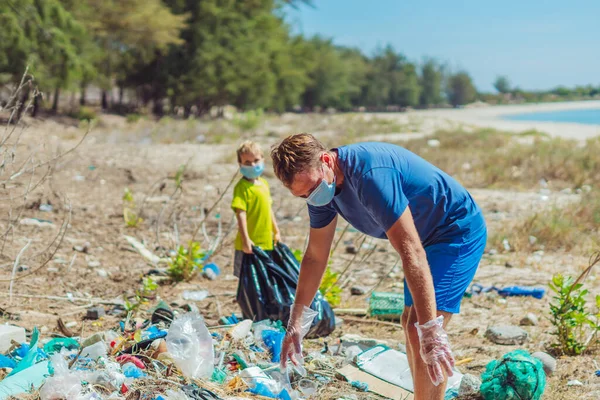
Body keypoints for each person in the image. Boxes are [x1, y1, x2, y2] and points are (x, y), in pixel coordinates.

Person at [270, 134, 487, 400]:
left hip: (454, 230)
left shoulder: (369, 176)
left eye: (312, 189)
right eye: (302, 195)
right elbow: (315, 256)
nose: (311, 198)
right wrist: (296, 320)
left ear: (326, 160)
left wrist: (432, 328)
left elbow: (410, 250)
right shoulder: (321, 192)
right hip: (423, 237)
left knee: (424, 329)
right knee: (410, 324)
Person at [231, 141, 281, 277]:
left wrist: (276, 231)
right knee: (247, 281)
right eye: (247, 162)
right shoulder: (241, 188)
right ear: (240, 164)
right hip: (248, 245)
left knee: (264, 279)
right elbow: (240, 214)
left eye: (256, 160)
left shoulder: (264, 184)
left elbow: (269, 210)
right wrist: (246, 240)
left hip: (266, 243)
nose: (253, 165)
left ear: (263, 160)